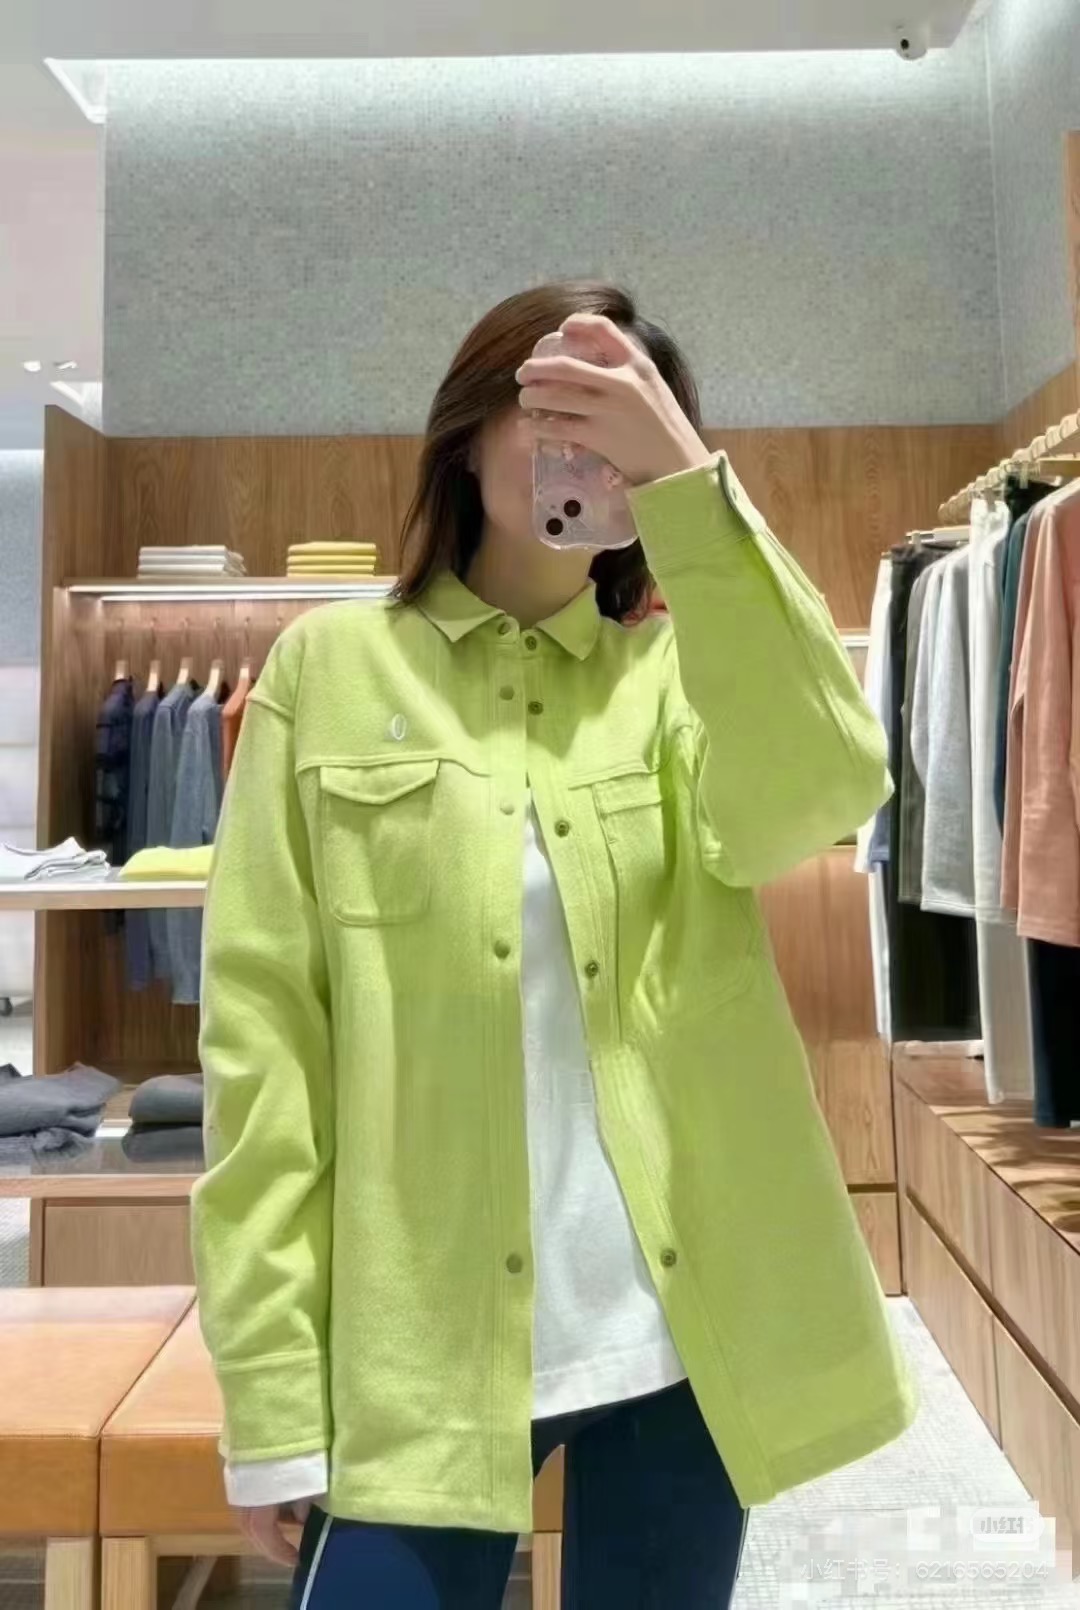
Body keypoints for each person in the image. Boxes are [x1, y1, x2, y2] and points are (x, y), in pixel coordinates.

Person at [191, 281, 917, 1609]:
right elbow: (264, 1046)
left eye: (617, 417)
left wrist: (691, 488)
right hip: (419, 1351)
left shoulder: (673, 681)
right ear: (468, 432)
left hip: (676, 1338)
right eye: (551, 404)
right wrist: (271, 1388)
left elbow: (827, 780)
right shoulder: (326, 673)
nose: (581, 445)